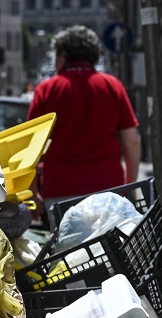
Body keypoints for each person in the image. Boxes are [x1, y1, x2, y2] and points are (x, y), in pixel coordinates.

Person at [28, 25, 141, 201]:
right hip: (109, 188)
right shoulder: (113, 86)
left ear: (63, 55)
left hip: (60, 190)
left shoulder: (46, 90)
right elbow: (132, 141)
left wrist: (33, 192)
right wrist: (130, 187)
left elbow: (31, 147)